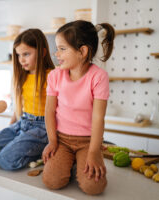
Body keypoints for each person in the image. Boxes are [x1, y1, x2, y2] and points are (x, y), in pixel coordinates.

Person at [42, 20, 115, 195]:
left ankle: (78, 162)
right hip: (62, 140)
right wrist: (52, 141)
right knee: (51, 181)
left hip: (88, 142)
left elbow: (98, 118)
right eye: (57, 48)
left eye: (62, 49)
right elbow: (49, 111)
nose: (56, 53)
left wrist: (94, 151)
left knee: (94, 187)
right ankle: (72, 162)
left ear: (82, 51)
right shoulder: (54, 76)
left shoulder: (99, 77)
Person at [0, 29, 55, 170]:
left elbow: (59, 110)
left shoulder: (52, 76)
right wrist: (10, 128)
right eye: (19, 55)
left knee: (5, 161)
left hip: (43, 127)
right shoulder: (23, 77)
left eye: (26, 54)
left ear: (43, 52)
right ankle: (20, 145)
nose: (21, 60)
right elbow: (19, 108)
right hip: (23, 122)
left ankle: (38, 153)